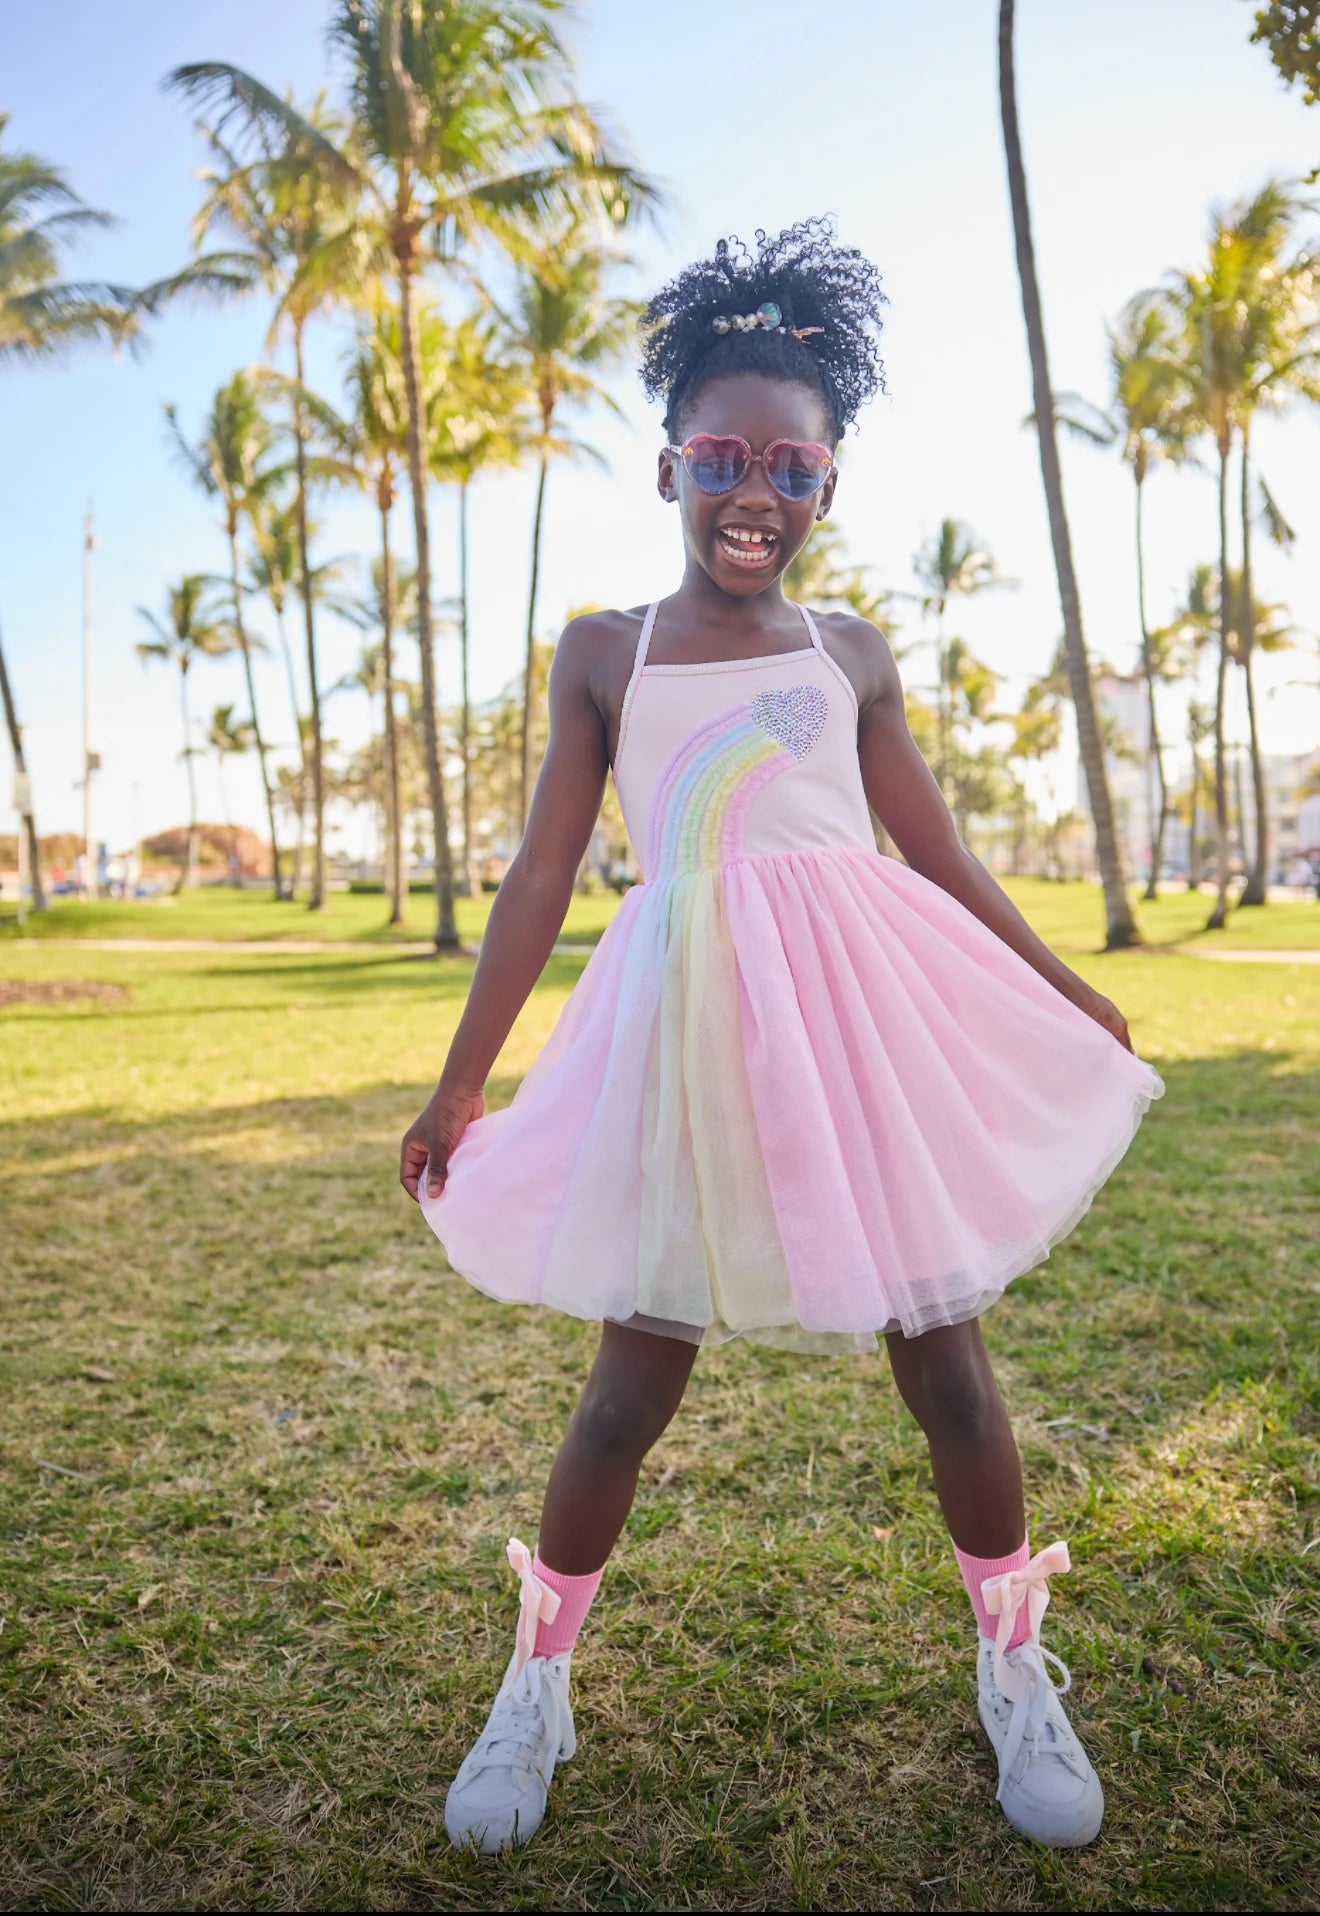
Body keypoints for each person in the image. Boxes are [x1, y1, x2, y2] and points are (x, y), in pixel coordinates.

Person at [400, 219, 1165, 1857]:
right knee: (625, 1393)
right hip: (680, 1048)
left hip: (855, 1047)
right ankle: (536, 1684)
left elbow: (935, 853)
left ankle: (1014, 1665)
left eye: (794, 469)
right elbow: (545, 869)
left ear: (831, 489)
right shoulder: (609, 651)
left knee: (950, 1371)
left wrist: (1057, 984)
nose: (757, 494)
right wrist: (466, 1074)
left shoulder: (852, 656)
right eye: (725, 459)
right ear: (671, 462)